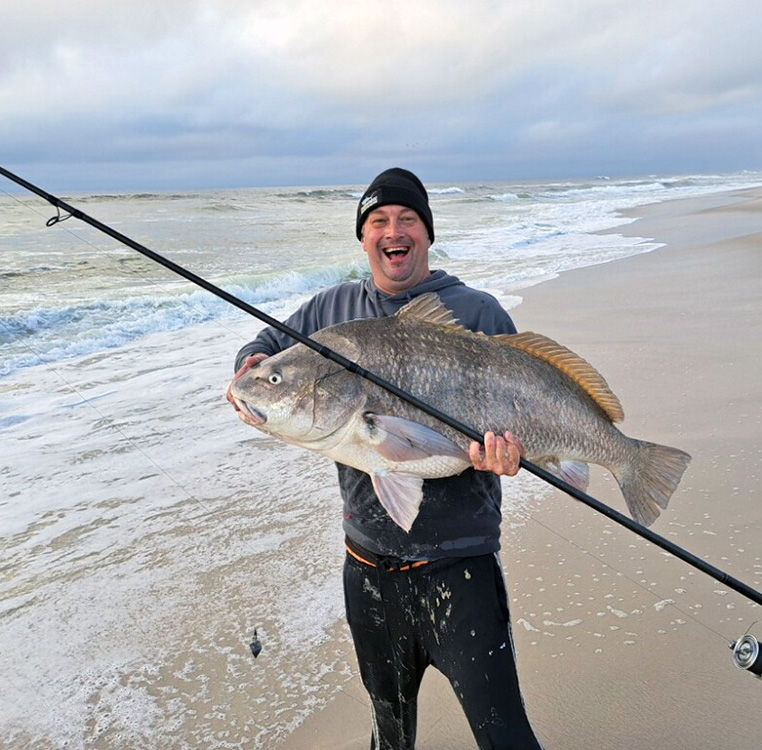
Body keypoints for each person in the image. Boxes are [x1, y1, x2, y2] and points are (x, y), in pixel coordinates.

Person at [226, 168, 543, 750]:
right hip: (368, 568)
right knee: (390, 737)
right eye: (378, 222)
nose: (393, 231)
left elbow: (525, 397)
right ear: (363, 237)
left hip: (462, 567)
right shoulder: (332, 310)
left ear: (426, 232)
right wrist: (249, 365)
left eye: (407, 219)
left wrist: (510, 454)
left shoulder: (477, 311)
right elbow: (268, 348)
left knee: (507, 737)